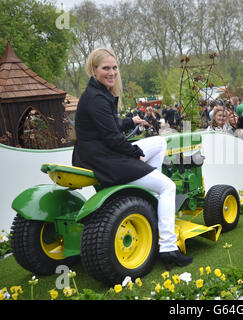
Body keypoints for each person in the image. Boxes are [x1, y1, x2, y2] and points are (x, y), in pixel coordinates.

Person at [72, 48, 192, 269]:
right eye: (105, 68)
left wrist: (133, 121)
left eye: (114, 67)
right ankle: (167, 247)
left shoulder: (96, 93)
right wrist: (137, 156)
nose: (112, 72)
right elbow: (113, 139)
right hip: (103, 159)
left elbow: (109, 125)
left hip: (100, 153)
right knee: (167, 186)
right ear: (93, 69)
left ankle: (148, 198)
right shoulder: (97, 98)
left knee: (159, 142)